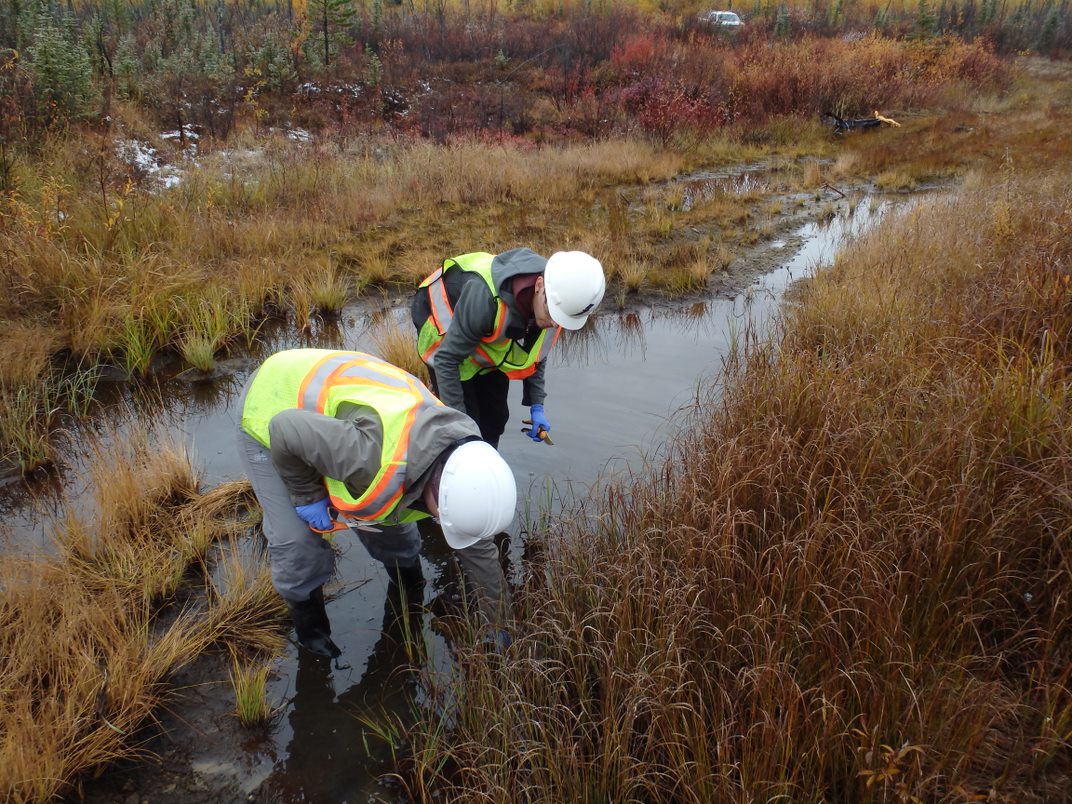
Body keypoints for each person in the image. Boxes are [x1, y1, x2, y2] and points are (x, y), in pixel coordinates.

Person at [236, 348, 517, 658]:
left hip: (332, 420)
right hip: (272, 406)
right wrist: (307, 495)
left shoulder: (466, 461)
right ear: (440, 496)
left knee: (393, 526)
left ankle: (407, 581)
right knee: (298, 543)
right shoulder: (371, 457)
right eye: (445, 520)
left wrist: (499, 622)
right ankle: (311, 632)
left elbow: (478, 547)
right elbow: (284, 429)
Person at [411, 248, 605, 448]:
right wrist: (461, 432)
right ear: (539, 285)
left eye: (561, 319)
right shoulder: (485, 298)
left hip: (480, 332)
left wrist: (537, 404)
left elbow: (537, 353)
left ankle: (488, 461)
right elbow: (446, 360)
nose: (555, 325)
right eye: (553, 315)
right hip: (444, 325)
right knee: (466, 425)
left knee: (495, 419)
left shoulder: (557, 303)